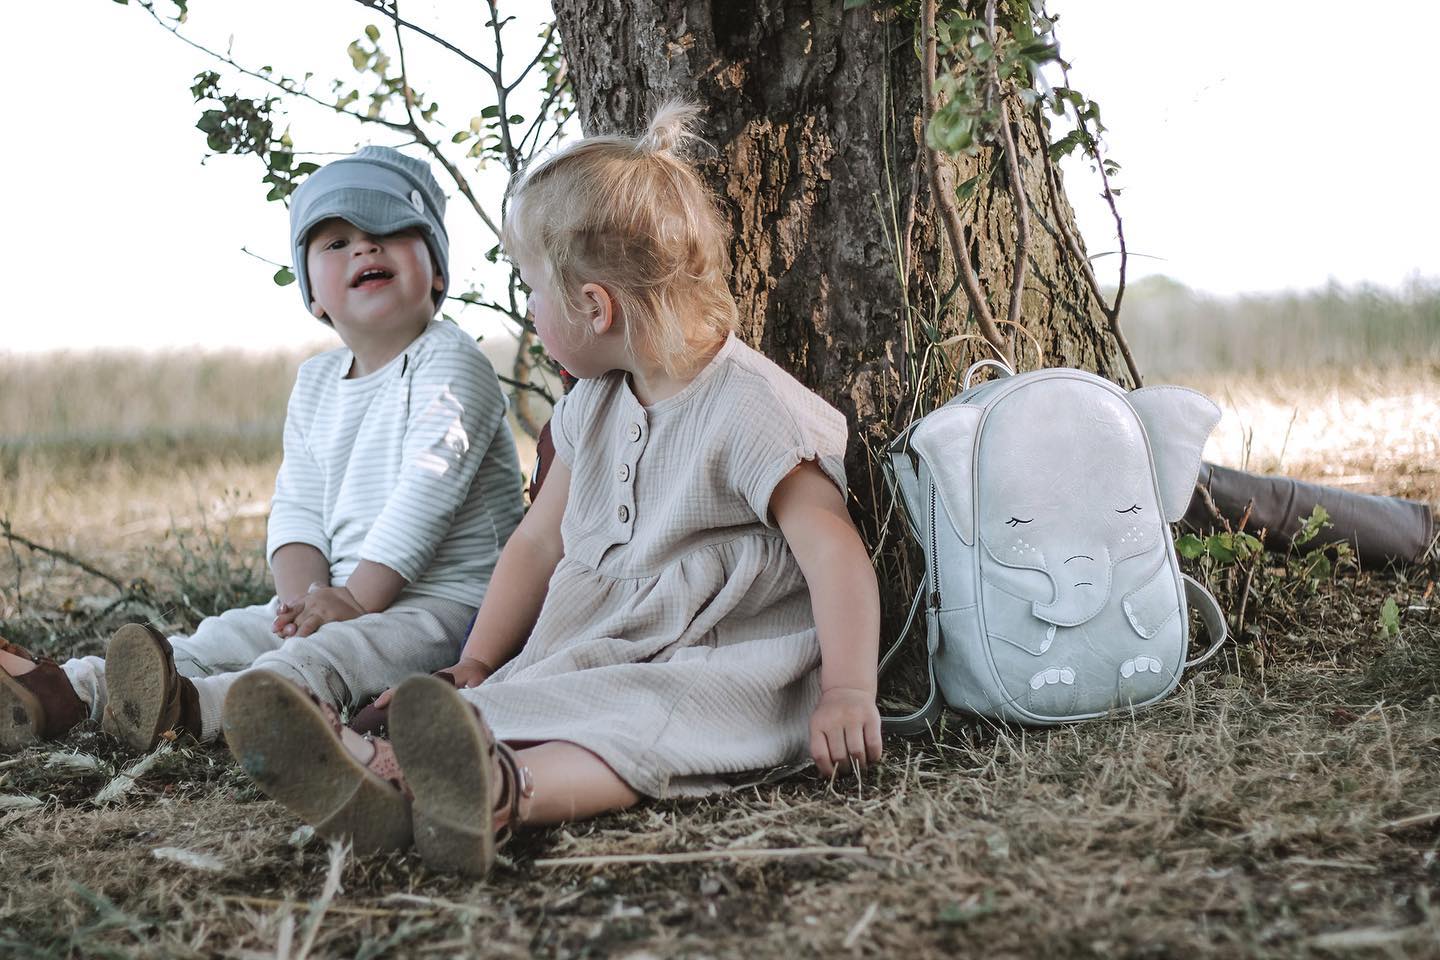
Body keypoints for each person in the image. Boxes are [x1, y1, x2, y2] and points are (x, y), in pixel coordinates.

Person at [222, 103, 883, 874]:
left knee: (645, 722)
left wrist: (847, 689)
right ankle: (395, 773)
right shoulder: (590, 406)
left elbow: (832, 548)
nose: (530, 312)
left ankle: (504, 792)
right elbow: (537, 544)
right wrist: (476, 661)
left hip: (723, 653)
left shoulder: (751, 405)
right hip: (604, 640)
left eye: (533, 291)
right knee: (523, 698)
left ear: (594, 307)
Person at [0, 146, 524, 756]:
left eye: (390, 233)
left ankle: (197, 710)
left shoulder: (452, 359)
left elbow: (426, 494)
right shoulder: (318, 381)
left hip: (449, 609)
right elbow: (298, 505)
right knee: (229, 633)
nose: (365, 248)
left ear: (435, 271)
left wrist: (354, 601)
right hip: (343, 596)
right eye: (337, 242)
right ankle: (71, 691)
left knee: (334, 655)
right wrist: (302, 604)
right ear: (315, 297)